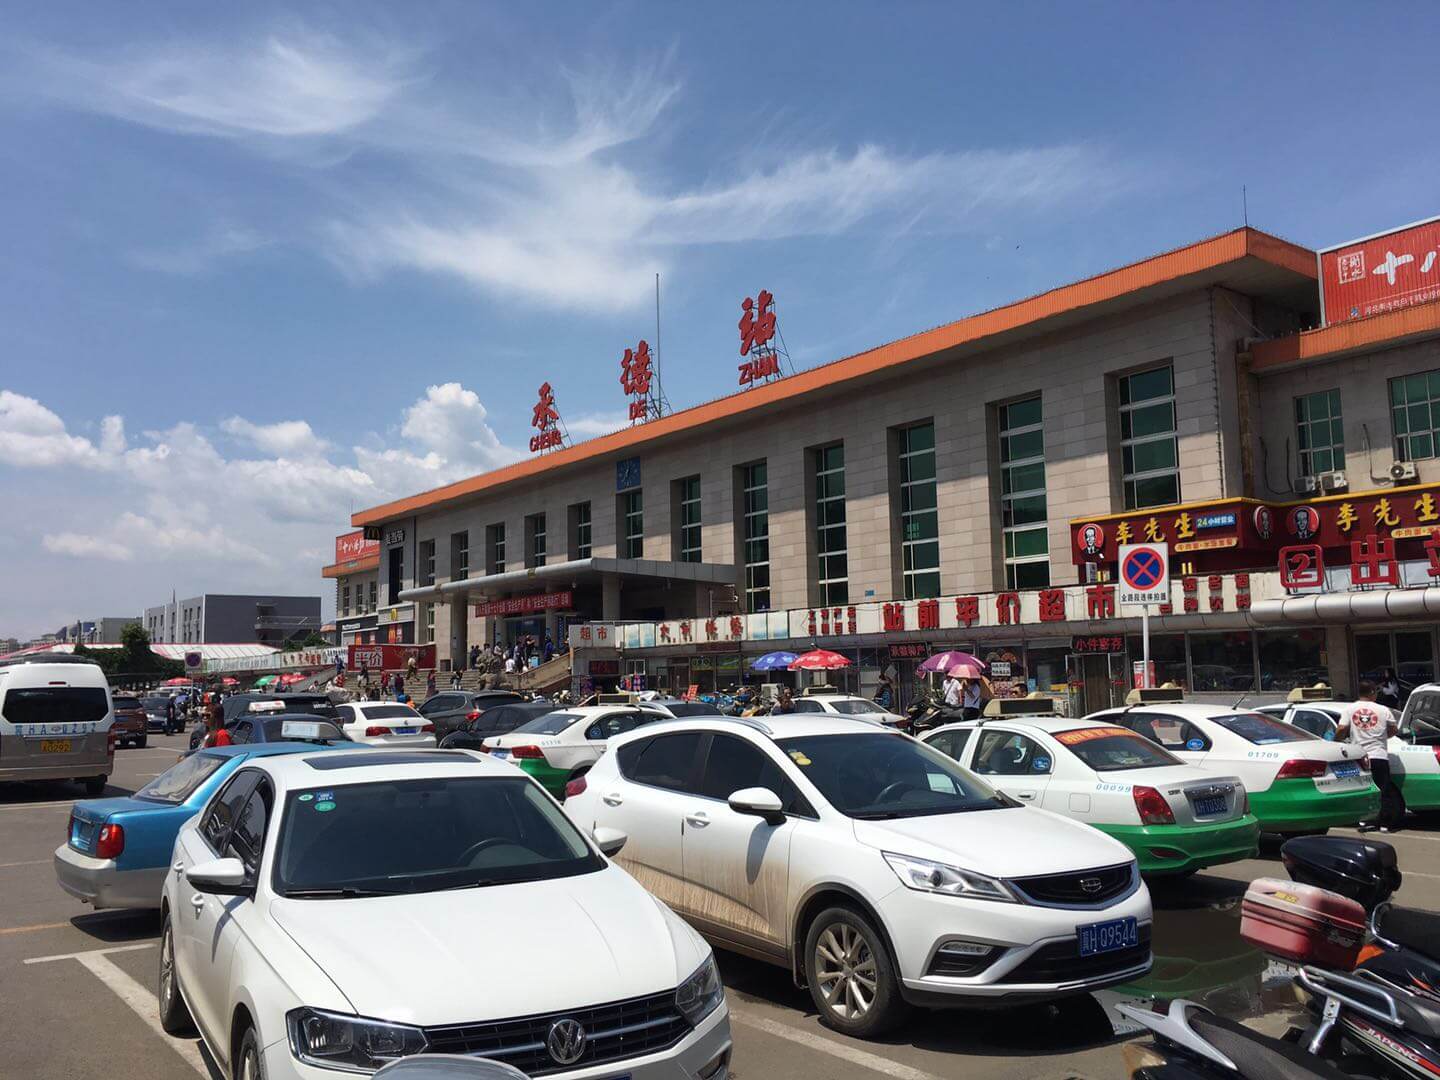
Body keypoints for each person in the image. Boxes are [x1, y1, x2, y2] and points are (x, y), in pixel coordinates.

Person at [1337, 680, 1402, 833]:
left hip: (1359, 757)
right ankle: (1385, 823)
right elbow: (1394, 729)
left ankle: (1364, 820)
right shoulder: (1383, 709)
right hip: (1379, 755)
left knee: (1362, 790)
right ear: (1372, 692)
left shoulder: (1349, 709)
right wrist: (1382, 737)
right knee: (1383, 789)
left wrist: (1336, 742)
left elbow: (1341, 729)